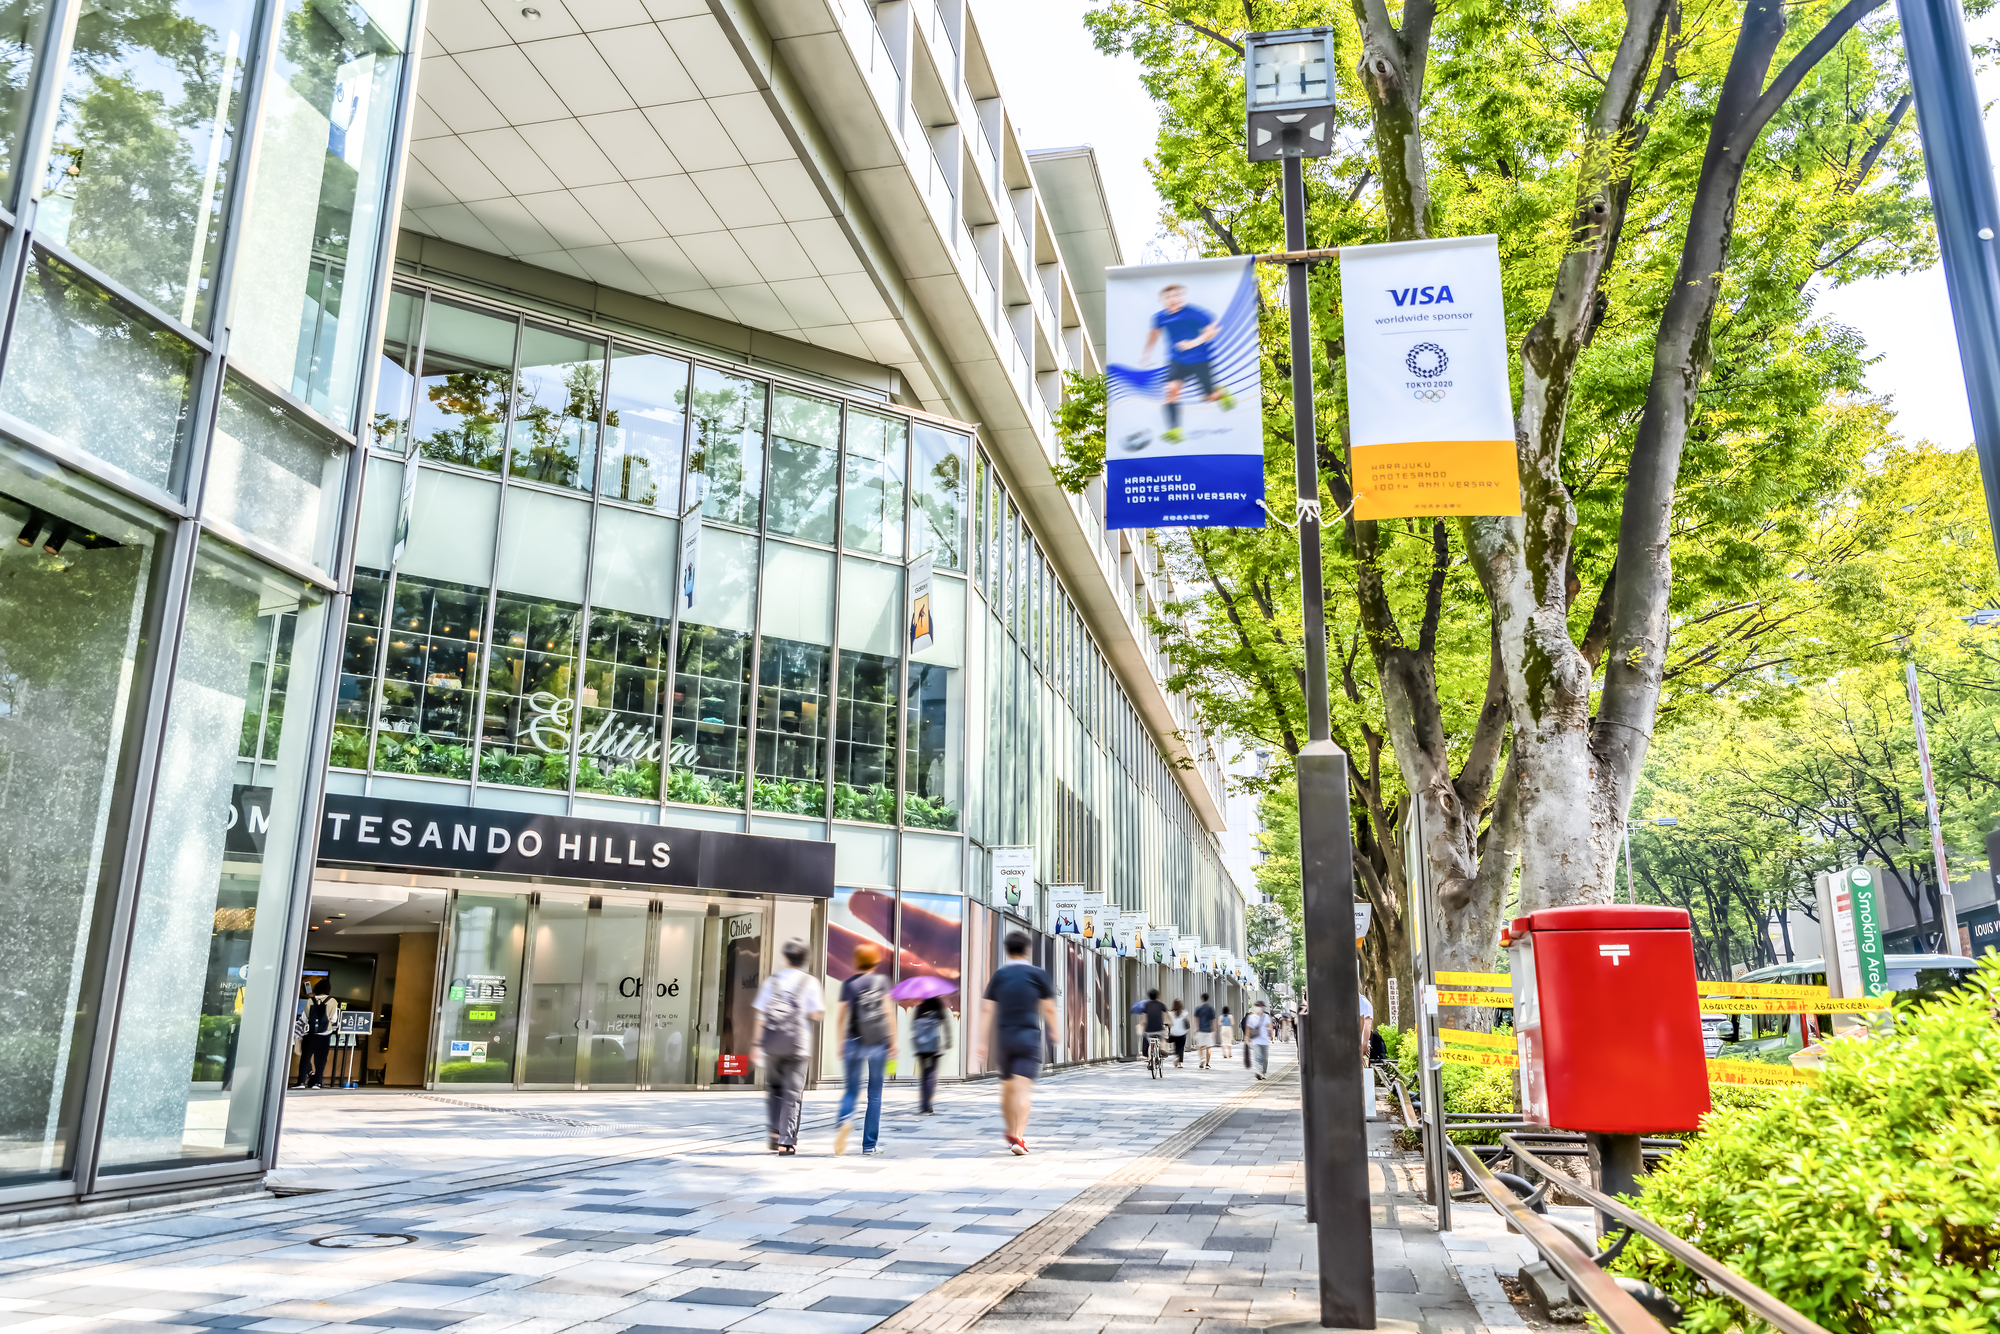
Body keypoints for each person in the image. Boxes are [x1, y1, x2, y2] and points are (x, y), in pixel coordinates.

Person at [982, 931, 1055, 1155]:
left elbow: (987, 1009)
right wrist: (1056, 1031)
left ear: (1007, 950)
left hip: (1004, 1039)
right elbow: (1049, 1008)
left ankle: (1010, 1130)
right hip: (1028, 1038)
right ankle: (1019, 1138)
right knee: (1023, 1091)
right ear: (1027, 950)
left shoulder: (1000, 975)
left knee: (1006, 1090)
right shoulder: (1037, 974)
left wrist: (981, 1041)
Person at [751, 938, 825, 1155]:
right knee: (792, 1093)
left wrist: (757, 1043)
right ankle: (786, 1141)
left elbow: (761, 1015)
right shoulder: (810, 982)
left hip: (773, 1044)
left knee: (774, 1090)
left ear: (785, 958)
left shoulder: (773, 981)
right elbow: (817, 1013)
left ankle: (774, 1132)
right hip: (798, 1046)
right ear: (804, 960)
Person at [1140, 282, 1234, 443]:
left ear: (1182, 297)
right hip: (1177, 361)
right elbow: (1154, 333)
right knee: (1171, 390)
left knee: (1208, 397)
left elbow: (1213, 329)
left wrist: (1193, 343)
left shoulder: (1193, 313)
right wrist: (1147, 353)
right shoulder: (1160, 317)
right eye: (1169, 297)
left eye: (1176, 296)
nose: (1173, 299)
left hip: (1200, 360)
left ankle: (1221, 393)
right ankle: (1175, 430)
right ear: (1163, 300)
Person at [831, 943, 896, 1155]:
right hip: (878, 1042)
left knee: (851, 1089)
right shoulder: (881, 981)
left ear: (856, 961)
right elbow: (888, 1013)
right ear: (875, 961)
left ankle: (845, 1119)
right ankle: (869, 1145)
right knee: (875, 1094)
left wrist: (841, 1041)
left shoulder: (848, 984)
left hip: (854, 1039)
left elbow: (841, 1017)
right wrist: (894, 1040)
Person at [910, 994, 953, 1113]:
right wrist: (949, 1040)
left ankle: (923, 1105)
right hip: (934, 1046)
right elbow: (946, 1024)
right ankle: (927, 1105)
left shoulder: (919, 1007)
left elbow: (912, 1028)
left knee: (924, 1075)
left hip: (921, 1047)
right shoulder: (937, 1005)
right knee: (931, 1075)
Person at [296, 982, 340, 1089]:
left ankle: (301, 1082)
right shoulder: (333, 1001)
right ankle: (317, 1082)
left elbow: (305, 1018)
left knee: (305, 1058)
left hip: (310, 1033)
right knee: (320, 1059)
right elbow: (334, 1019)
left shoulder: (310, 1000)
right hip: (325, 1035)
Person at [1244, 1001, 1273, 1079]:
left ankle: (1263, 1072)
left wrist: (1271, 1034)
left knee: (1265, 1059)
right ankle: (1258, 1072)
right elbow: (1248, 1028)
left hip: (1265, 1041)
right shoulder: (1251, 1017)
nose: (1259, 1008)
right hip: (1256, 1040)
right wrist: (1247, 1038)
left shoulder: (1266, 1017)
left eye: (1261, 1006)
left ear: (1263, 1007)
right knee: (1257, 1057)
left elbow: (1270, 1026)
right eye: (1258, 1006)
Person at [1140, 988, 1168, 1065]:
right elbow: (1166, 1017)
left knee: (1150, 1044)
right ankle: (1162, 1049)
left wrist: (1142, 1024)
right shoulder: (1161, 1005)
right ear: (1157, 996)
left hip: (1149, 1030)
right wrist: (1168, 1023)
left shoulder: (1146, 1005)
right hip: (1159, 1028)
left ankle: (1150, 1060)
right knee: (1163, 1039)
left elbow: (1144, 1020)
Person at [1194, 993, 1217, 1069]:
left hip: (1200, 1030)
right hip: (1209, 1030)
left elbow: (1196, 1019)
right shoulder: (1210, 1008)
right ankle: (1207, 1063)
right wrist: (1214, 1029)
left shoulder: (1198, 1008)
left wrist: (1195, 1028)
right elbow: (1213, 1020)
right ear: (1207, 998)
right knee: (1208, 1047)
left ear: (1202, 999)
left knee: (1200, 1046)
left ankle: (1202, 1058)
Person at [1167, 999, 1190, 1067]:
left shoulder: (1170, 1013)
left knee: (1176, 1046)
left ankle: (1176, 1056)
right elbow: (1187, 1021)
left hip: (1173, 1033)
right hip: (1182, 1033)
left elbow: (1169, 1023)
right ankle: (1179, 1062)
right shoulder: (1184, 1012)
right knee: (1181, 1047)